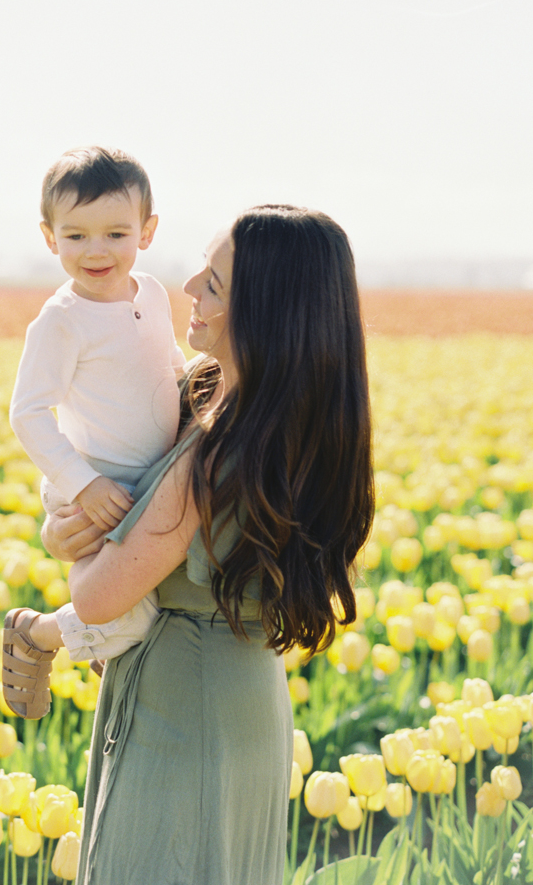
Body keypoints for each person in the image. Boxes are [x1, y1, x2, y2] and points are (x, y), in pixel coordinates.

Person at [39, 205, 375, 885]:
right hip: (246, 697)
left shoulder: (217, 457)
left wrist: (69, 538)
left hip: (183, 712)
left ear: (266, 312)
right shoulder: (293, 431)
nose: (189, 286)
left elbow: (99, 597)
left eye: (216, 282)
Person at [4, 146, 186, 718]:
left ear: (147, 232)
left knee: (150, 601)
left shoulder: (152, 292)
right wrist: (82, 485)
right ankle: (36, 636)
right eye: (76, 236)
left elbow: (170, 361)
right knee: (128, 611)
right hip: (94, 483)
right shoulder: (62, 319)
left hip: (146, 482)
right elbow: (27, 413)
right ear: (49, 236)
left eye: (115, 233)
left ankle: (105, 645)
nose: (96, 251)